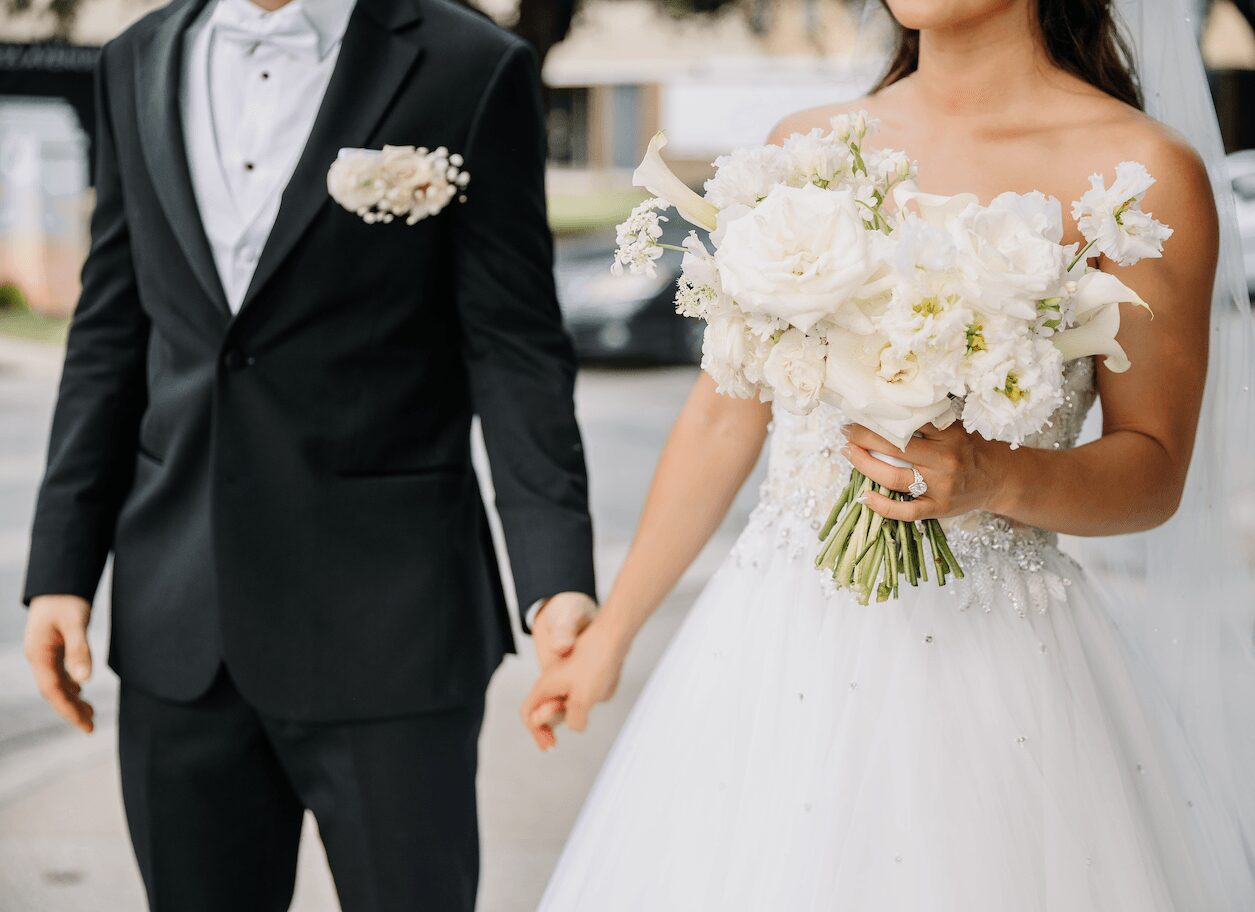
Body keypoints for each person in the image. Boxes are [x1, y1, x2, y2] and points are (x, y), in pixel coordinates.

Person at [524, 0, 1255, 908]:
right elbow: (722, 421)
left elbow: (1151, 471)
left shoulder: (1139, 172)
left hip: (995, 668)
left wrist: (996, 476)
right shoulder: (806, 149)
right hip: (771, 648)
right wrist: (614, 634)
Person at [20, 0, 597, 907]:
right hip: (181, 622)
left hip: (392, 621)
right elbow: (111, 333)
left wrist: (555, 578)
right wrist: (60, 569)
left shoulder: (467, 62)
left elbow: (514, 349)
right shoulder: (133, 58)